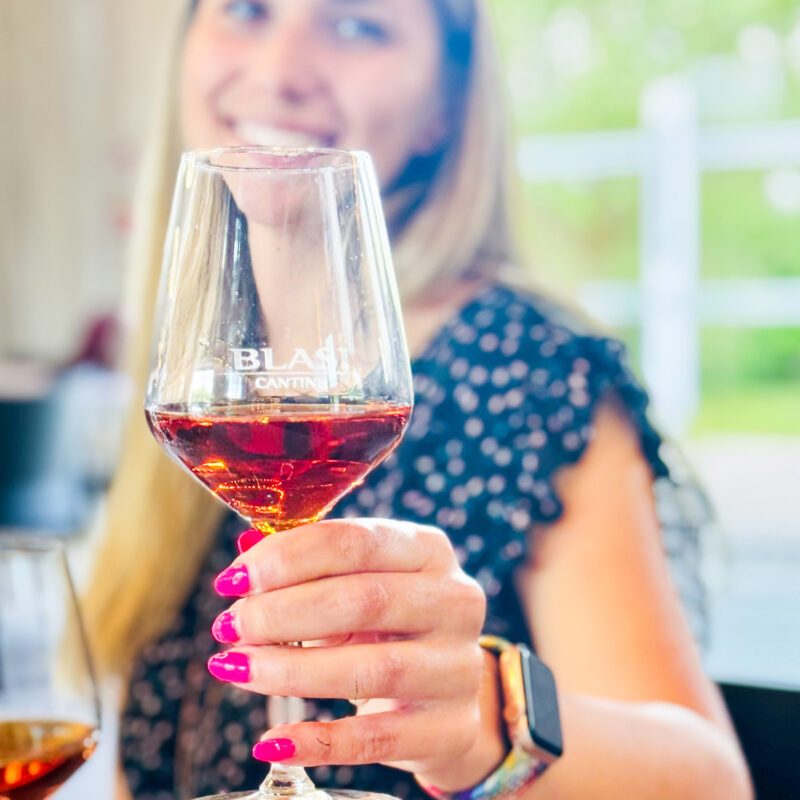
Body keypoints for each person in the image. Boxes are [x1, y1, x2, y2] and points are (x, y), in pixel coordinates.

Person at [83, 1, 753, 799]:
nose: (279, 70)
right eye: (248, 9)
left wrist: (483, 720)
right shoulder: (195, 374)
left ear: (445, 107)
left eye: (358, 25)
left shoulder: (525, 367)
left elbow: (712, 784)